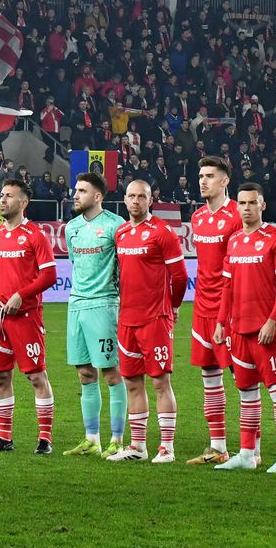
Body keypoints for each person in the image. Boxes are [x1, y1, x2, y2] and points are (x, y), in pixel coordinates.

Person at [212, 183, 276, 473]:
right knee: (246, 393)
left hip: (266, 330)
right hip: (238, 330)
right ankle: (248, 454)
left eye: (252, 203)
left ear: (262, 205)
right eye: (242, 203)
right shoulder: (234, 240)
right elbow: (227, 286)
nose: (246, 208)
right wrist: (222, 323)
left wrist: (273, 320)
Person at [106, 180, 189, 463]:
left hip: (155, 319)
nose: (136, 201)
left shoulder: (163, 233)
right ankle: (138, 447)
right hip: (127, 320)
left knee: (160, 382)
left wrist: (173, 306)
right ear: (125, 199)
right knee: (131, 383)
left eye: (141, 197)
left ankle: (167, 447)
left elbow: (180, 277)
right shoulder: (121, 233)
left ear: (150, 200)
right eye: (131, 196)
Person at [0, 180, 58, 454]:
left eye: (9, 196)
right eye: (1, 195)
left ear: (23, 203)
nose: (2, 200)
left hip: (26, 318)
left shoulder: (35, 235)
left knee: (36, 377)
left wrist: (21, 295)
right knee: (0, 376)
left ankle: (45, 439)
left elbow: (49, 275)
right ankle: (4, 438)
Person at [61, 172, 128, 458]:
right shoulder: (71, 228)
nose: (75, 195)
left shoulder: (116, 226)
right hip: (76, 306)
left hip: (104, 305)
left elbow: (125, 270)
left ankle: (117, 439)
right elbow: (76, 264)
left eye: (82, 191)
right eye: (76, 190)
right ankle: (91, 439)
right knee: (85, 373)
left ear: (98, 196)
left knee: (112, 374)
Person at [186, 156, 244, 466]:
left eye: (210, 175)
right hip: (202, 307)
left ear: (224, 181)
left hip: (231, 309)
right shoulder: (197, 217)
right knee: (209, 375)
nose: (203, 180)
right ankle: (218, 446)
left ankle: (251, 450)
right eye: (201, 175)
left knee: (243, 379)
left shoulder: (237, 215)